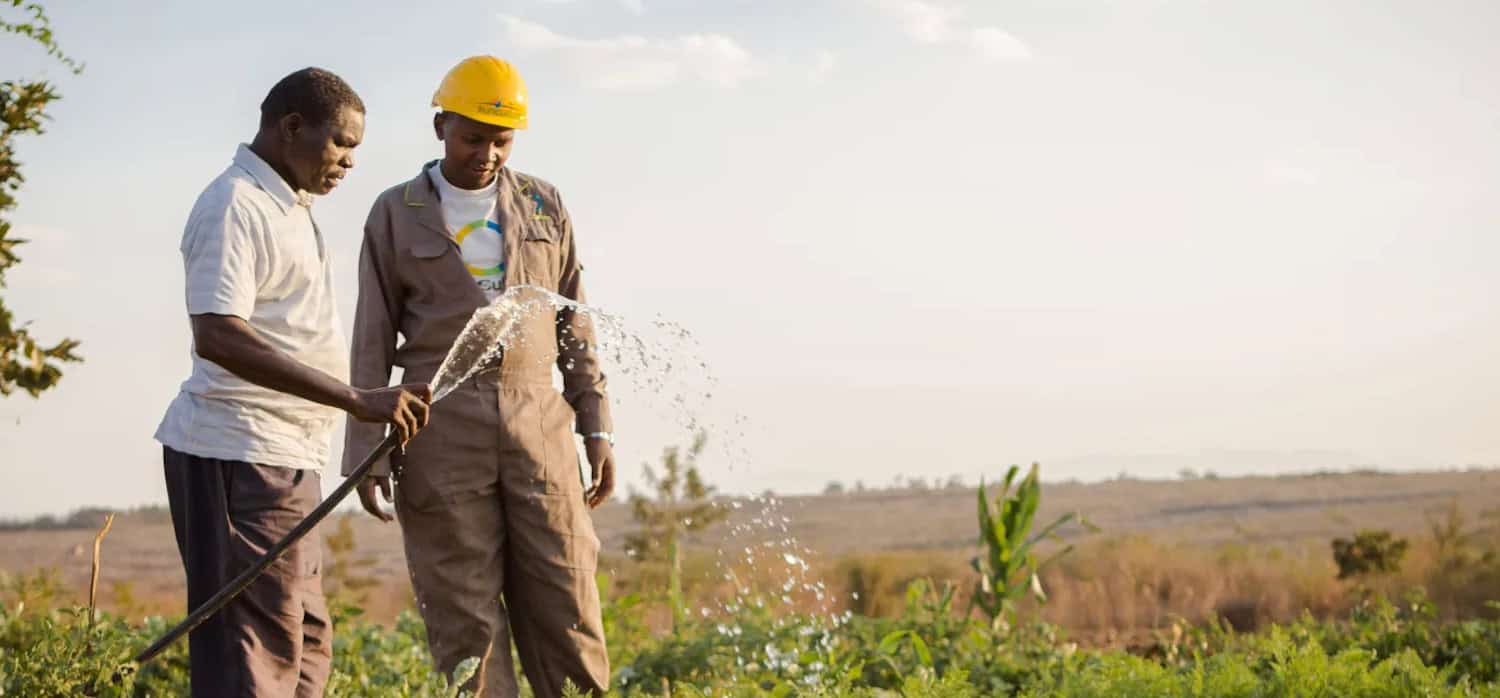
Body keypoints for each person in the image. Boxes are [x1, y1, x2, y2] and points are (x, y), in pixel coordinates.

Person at [154, 67, 432, 697]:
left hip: (285, 458)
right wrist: (357, 400)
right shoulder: (234, 205)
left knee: (302, 642)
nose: (349, 162)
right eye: (342, 144)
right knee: (252, 653)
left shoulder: (287, 205)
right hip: (239, 454)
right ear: (291, 128)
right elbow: (218, 334)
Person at [344, 55, 614, 697]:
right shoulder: (395, 212)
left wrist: (597, 428)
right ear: (441, 126)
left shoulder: (545, 205)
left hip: (540, 426)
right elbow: (372, 336)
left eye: (501, 140)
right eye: (473, 137)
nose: (487, 154)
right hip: (438, 428)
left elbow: (576, 324)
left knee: (568, 601)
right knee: (465, 619)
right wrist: (366, 450)